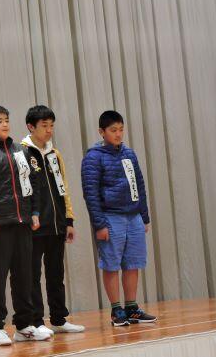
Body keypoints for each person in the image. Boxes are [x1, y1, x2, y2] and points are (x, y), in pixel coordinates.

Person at [0, 105, 51, 346]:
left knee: (24, 276)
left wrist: (34, 212)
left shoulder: (21, 151)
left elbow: (32, 183)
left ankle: (24, 325)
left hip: (23, 223)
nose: (5, 124)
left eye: (6, 119)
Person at [81, 111, 157, 326]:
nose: (118, 134)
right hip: (110, 216)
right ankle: (116, 310)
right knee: (111, 264)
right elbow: (90, 193)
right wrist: (99, 224)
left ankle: (132, 308)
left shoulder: (129, 154)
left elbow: (139, 185)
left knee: (133, 263)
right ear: (102, 132)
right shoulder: (93, 157)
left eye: (121, 129)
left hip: (133, 216)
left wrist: (144, 216)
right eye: (113, 130)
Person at [22, 105, 85, 335]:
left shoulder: (54, 154)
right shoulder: (22, 153)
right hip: (35, 225)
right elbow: (23, 190)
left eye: (52, 126)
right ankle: (37, 321)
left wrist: (69, 220)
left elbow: (63, 188)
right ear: (31, 127)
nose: (49, 130)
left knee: (56, 274)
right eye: (44, 126)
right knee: (32, 275)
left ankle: (59, 319)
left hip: (57, 224)